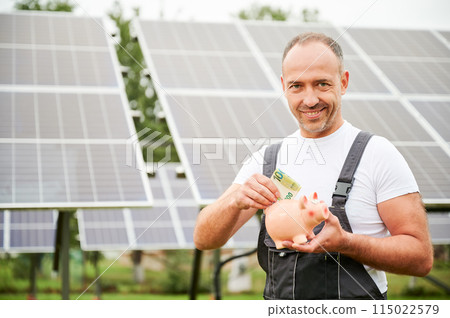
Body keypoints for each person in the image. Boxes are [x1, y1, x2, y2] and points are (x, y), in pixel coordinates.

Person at [193, 32, 433, 299]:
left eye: (321, 84)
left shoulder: (378, 155)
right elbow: (204, 239)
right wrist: (234, 201)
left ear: (343, 82)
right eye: (297, 86)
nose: (309, 100)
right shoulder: (267, 160)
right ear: (284, 86)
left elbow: (420, 258)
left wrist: (347, 243)